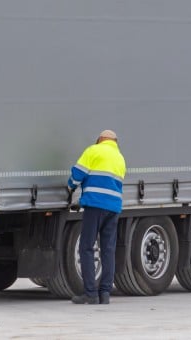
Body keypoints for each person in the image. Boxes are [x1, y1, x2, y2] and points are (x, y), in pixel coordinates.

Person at [66, 129, 126, 305]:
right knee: (108, 249)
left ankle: (90, 294)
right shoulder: (120, 158)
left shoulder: (93, 150)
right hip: (114, 208)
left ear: (100, 139)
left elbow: (77, 174)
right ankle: (105, 293)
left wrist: (70, 187)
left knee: (87, 247)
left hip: (95, 205)